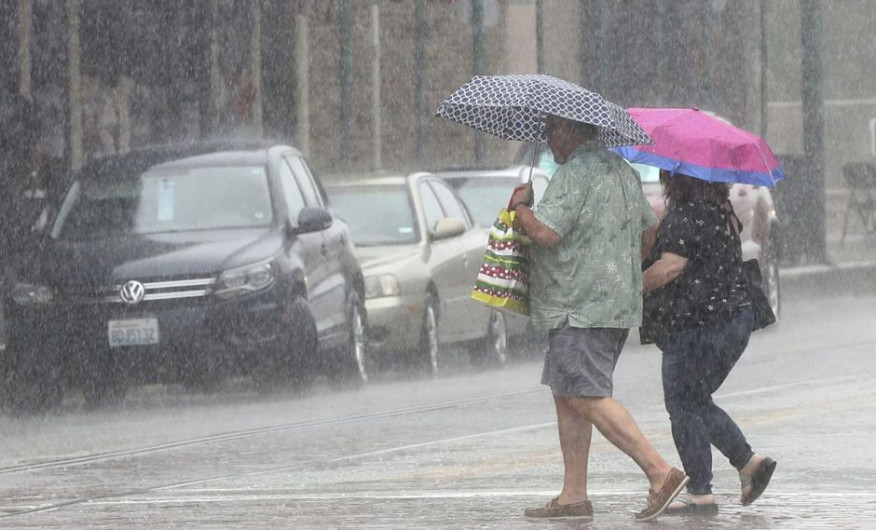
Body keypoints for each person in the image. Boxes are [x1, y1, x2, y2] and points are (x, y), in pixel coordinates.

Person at [510, 115, 688, 521]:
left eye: (554, 129)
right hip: (613, 305)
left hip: (578, 305)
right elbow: (649, 232)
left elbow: (546, 234)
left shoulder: (574, 174)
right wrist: (615, 265)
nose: (549, 137)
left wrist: (522, 207)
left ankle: (660, 473)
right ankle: (573, 494)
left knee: (584, 395)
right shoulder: (621, 171)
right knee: (567, 393)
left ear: (576, 131)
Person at [641, 170, 777, 515]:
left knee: (683, 402)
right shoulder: (721, 211)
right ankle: (745, 465)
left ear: (676, 180)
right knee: (694, 399)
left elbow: (670, 268)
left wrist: (632, 286)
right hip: (733, 318)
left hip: (700, 322)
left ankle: (705, 487)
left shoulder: (686, 216)